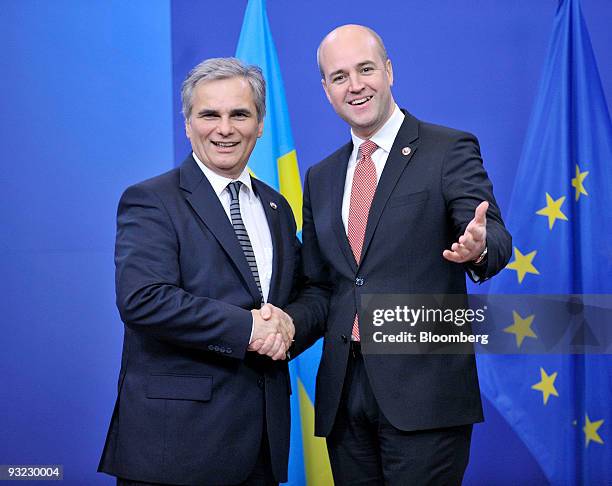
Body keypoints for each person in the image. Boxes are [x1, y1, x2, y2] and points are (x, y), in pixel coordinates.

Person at [285, 25, 512, 485]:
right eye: (339, 76)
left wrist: (478, 246)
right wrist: (281, 328)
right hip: (344, 399)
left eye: (365, 69)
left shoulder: (448, 148)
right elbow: (322, 285)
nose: (356, 85)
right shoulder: (321, 177)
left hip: (425, 396)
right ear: (326, 89)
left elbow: (493, 234)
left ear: (388, 71)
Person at [99, 57, 299, 486]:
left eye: (239, 114)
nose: (224, 128)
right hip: (175, 450)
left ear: (260, 125)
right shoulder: (151, 200)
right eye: (209, 114)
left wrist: (288, 324)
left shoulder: (277, 208)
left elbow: (306, 294)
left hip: (260, 447)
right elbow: (143, 299)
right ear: (187, 124)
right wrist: (247, 328)